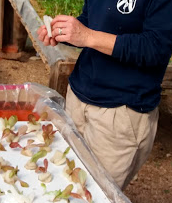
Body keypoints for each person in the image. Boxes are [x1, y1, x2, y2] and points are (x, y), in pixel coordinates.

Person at [37, 0, 172, 189]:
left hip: (120, 113)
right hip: (78, 95)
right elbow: (92, 19)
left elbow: (156, 48)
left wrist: (87, 36)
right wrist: (66, 33)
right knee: (64, 178)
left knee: (97, 195)